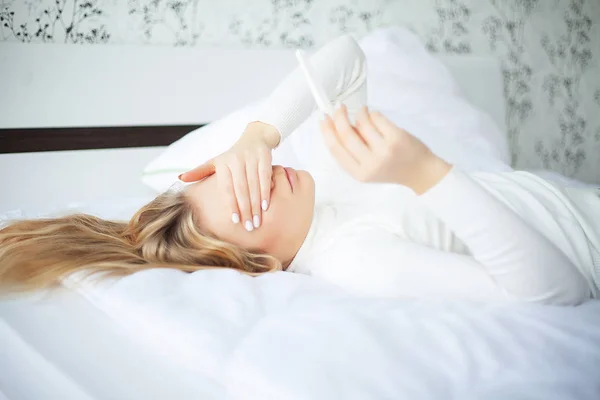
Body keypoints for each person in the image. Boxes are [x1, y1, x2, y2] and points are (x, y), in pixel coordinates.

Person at [1, 35, 598, 305]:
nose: (262, 176)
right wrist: (426, 174)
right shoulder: (356, 259)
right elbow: (558, 293)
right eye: (247, 201)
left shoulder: (334, 174)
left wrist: (258, 135)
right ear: (260, 263)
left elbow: (347, 57)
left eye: (231, 175)